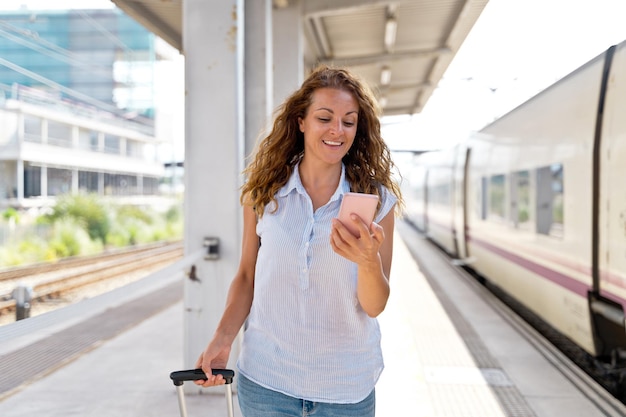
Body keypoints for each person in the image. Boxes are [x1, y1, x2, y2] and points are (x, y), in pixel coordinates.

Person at [194, 65, 403, 417]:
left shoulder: (375, 200)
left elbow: (375, 305)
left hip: (345, 389)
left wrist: (368, 261)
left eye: (349, 121)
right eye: (325, 118)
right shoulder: (264, 193)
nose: (338, 130)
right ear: (301, 121)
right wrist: (222, 338)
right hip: (266, 384)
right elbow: (247, 275)